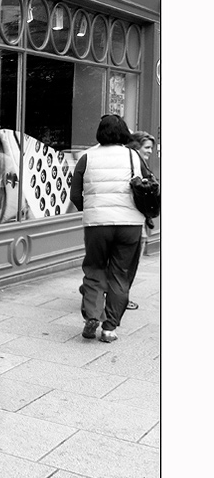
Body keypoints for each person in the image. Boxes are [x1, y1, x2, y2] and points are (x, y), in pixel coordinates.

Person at [70, 115, 151, 343]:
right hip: (130, 225)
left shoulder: (87, 156)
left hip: (98, 225)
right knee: (120, 274)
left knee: (95, 269)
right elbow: (148, 185)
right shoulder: (133, 156)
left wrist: (91, 209)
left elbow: (75, 194)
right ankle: (109, 328)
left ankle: (92, 315)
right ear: (124, 132)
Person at [122, 130, 159, 309]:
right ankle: (122, 296)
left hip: (118, 218)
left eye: (152, 148)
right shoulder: (137, 163)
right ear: (136, 147)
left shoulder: (130, 161)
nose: (150, 151)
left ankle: (97, 288)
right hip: (134, 219)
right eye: (147, 147)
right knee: (131, 261)